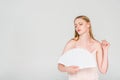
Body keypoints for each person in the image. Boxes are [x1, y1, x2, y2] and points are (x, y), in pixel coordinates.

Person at [57, 15, 110, 80]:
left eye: (80, 24)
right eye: (75, 25)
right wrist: (67, 69)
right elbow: (60, 66)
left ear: (88, 25)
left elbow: (103, 70)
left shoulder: (97, 45)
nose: (77, 27)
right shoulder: (72, 43)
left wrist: (105, 49)